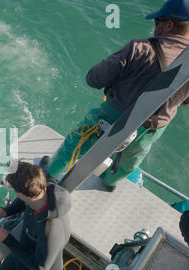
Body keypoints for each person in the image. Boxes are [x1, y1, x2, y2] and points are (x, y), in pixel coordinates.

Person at [44, 0, 189, 191]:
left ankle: (50, 174)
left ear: (169, 25)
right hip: (154, 128)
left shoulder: (140, 48)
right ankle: (110, 182)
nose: (155, 28)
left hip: (114, 117)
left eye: (158, 22)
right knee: (131, 160)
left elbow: (94, 78)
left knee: (76, 142)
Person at [0, 161, 71, 270]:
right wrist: (6, 211)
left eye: (15, 191)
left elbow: (41, 268)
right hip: (22, 252)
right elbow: (25, 201)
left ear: (21, 193)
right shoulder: (40, 189)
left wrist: (7, 239)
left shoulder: (50, 228)